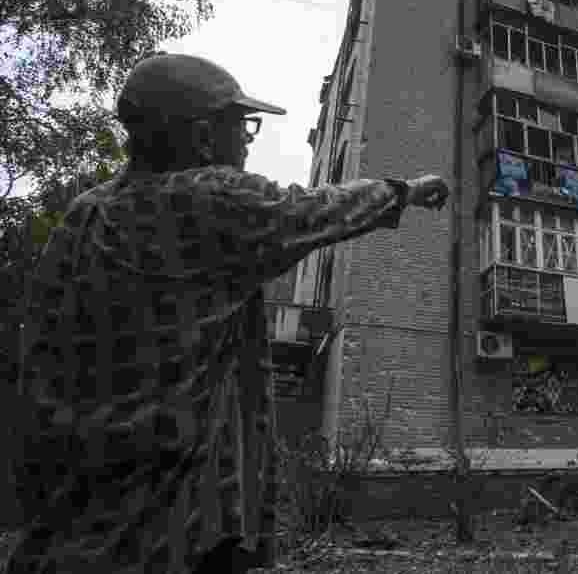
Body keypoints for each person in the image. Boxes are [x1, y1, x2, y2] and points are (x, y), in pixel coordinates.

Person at [8, 54, 448, 573]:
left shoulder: (87, 213)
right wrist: (408, 190)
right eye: (240, 125)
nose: (247, 138)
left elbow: (36, 354)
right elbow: (317, 210)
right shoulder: (210, 198)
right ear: (200, 136)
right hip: (172, 516)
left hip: (74, 511)